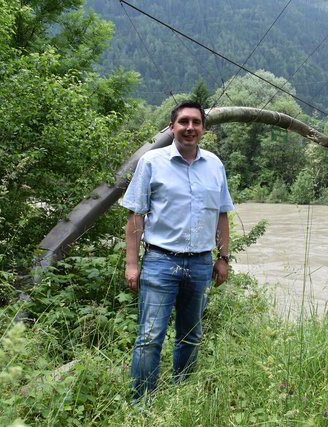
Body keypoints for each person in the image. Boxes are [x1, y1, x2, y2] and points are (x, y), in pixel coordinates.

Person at [121, 100, 233, 399]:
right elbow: (135, 216)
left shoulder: (215, 165)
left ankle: (180, 395)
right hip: (160, 261)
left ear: (204, 129)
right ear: (172, 127)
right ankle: (142, 402)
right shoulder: (151, 162)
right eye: (183, 122)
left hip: (200, 264)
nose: (190, 128)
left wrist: (223, 258)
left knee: (191, 335)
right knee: (149, 338)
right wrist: (132, 265)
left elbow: (221, 214)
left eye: (196, 123)